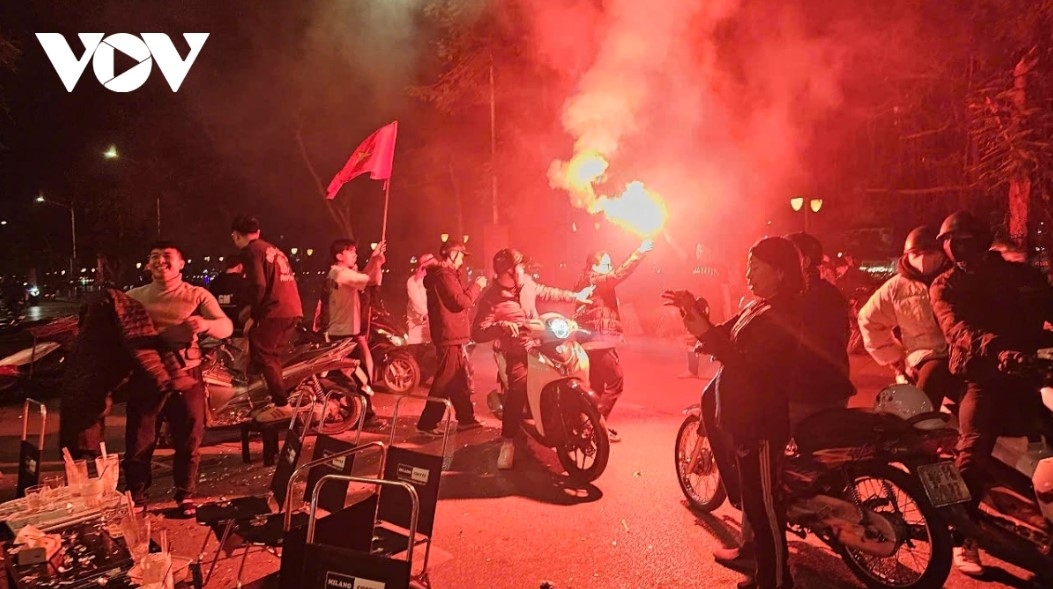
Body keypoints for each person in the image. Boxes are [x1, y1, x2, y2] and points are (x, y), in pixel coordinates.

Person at [664, 236, 803, 589]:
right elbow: (720, 336)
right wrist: (693, 313)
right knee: (756, 508)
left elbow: (746, 362)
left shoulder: (782, 314)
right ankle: (766, 575)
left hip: (761, 424)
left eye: (756, 267)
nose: (748, 273)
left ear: (781, 272)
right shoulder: (758, 307)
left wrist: (709, 333)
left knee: (767, 510)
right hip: (744, 421)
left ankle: (775, 581)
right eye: (748, 266)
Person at [930, 210, 1053, 576]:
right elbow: (957, 328)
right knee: (972, 451)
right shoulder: (945, 285)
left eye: (961, 239)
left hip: (1029, 374)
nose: (953, 247)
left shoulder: (1019, 276)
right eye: (947, 242)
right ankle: (961, 535)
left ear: (981, 239)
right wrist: (998, 350)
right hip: (981, 378)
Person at [125, 242, 233, 515]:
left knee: (189, 438)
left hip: (187, 375)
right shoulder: (133, 297)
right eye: (154, 256)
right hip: (146, 377)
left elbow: (226, 326)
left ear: (182, 263)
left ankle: (185, 495)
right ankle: (137, 497)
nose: (160, 260)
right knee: (139, 440)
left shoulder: (197, 295)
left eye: (167, 256)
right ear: (148, 265)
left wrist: (206, 324)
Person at [472, 248, 594, 470]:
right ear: (508, 271)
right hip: (517, 350)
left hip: (539, 343)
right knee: (518, 388)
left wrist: (575, 296)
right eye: (519, 266)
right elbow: (478, 331)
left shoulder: (526, 283)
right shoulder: (491, 299)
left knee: (569, 364)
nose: (523, 270)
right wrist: (501, 326)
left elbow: (548, 292)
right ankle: (508, 442)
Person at [858, 226, 957, 409]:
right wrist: (895, 358)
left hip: (962, 359)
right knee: (925, 400)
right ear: (907, 255)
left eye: (929, 252)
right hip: (923, 361)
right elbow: (869, 320)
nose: (923, 259)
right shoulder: (896, 288)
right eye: (916, 253)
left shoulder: (957, 278)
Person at [573, 238, 653, 442]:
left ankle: (592, 427)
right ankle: (593, 429)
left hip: (593, 341)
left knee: (598, 387)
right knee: (616, 381)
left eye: (610, 264)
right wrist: (640, 251)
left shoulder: (589, 280)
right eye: (606, 265)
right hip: (598, 341)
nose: (610, 268)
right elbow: (619, 275)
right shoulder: (594, 279)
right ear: (594, 266)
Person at [230, 215, 304, 423]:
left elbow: (259, 285)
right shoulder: (271, 248)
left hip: (274, 311)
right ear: (258, 232)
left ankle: (282, 405)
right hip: (292, 308)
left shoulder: (251, 251)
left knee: (263, 355)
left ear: (235, 236)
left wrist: (253, 315)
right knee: (270, 357)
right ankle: (275, 397)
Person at [783, 232, 856, 427]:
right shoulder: (833, 295)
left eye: (785, 256)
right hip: (837, 392)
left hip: (801, 396)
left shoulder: (792, 298)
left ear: (804, 261)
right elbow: (843, 338)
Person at [313, 238, 388, 427]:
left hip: (345, 334)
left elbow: (365, 277)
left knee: (354, 376)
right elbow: (369, 279)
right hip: (341, 335)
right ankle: (363, 415)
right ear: (339, 256)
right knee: (358, 376)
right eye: (350, 251)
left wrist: (374, 258)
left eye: (355, 250)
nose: (355, 253)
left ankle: (356, 412)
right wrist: (377, 260)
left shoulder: (343, 273)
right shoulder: (340, 273)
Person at [416, 241, 487, 435]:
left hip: (451, 333)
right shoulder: (444, 275)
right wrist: (477, 286)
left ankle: (466, 418)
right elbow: (460, 302)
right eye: (462, 255)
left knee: (458, 379)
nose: (463, 260)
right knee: (445, 379)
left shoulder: (444, 275)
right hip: (449, 333)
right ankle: (427, 423)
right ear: (452, 254)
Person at [209, 257, 249, 334]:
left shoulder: (215, 282)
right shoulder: (244, 283)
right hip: (239, 329)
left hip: (219, 328)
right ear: (239, 266)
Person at [406, 253, 436, 345]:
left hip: (434, 334)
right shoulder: (412, 282)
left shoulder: (435, 281)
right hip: (417, 337)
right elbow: (419, 306)